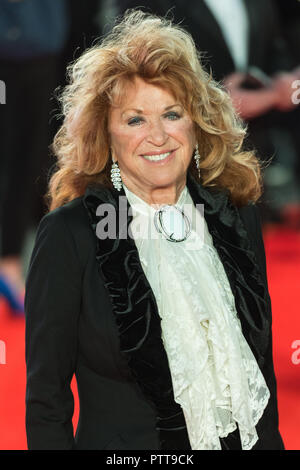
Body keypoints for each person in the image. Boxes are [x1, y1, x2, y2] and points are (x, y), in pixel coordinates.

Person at [25, 10, 284, 450]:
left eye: (171, 113)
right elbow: (46, 402)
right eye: (135, 120)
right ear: (105, 135)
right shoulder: (71, 235)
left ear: (196, 123)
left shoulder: (234, 217)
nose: (159, 136)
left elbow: (261, 375)